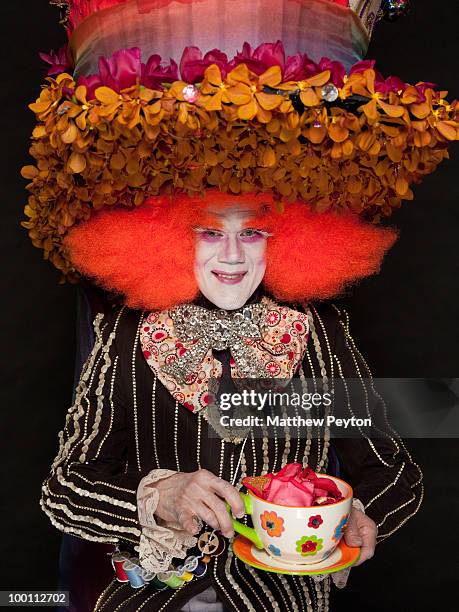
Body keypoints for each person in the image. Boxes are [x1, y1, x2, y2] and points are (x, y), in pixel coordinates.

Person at [22, 0, 458, 610]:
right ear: (169, 234)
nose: (231, 254)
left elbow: (396, 471)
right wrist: (159, 497)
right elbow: (65, 488)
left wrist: (360, 517)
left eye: (252, 230)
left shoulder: (319, 330)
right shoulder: (126, 330)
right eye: (207, 229)